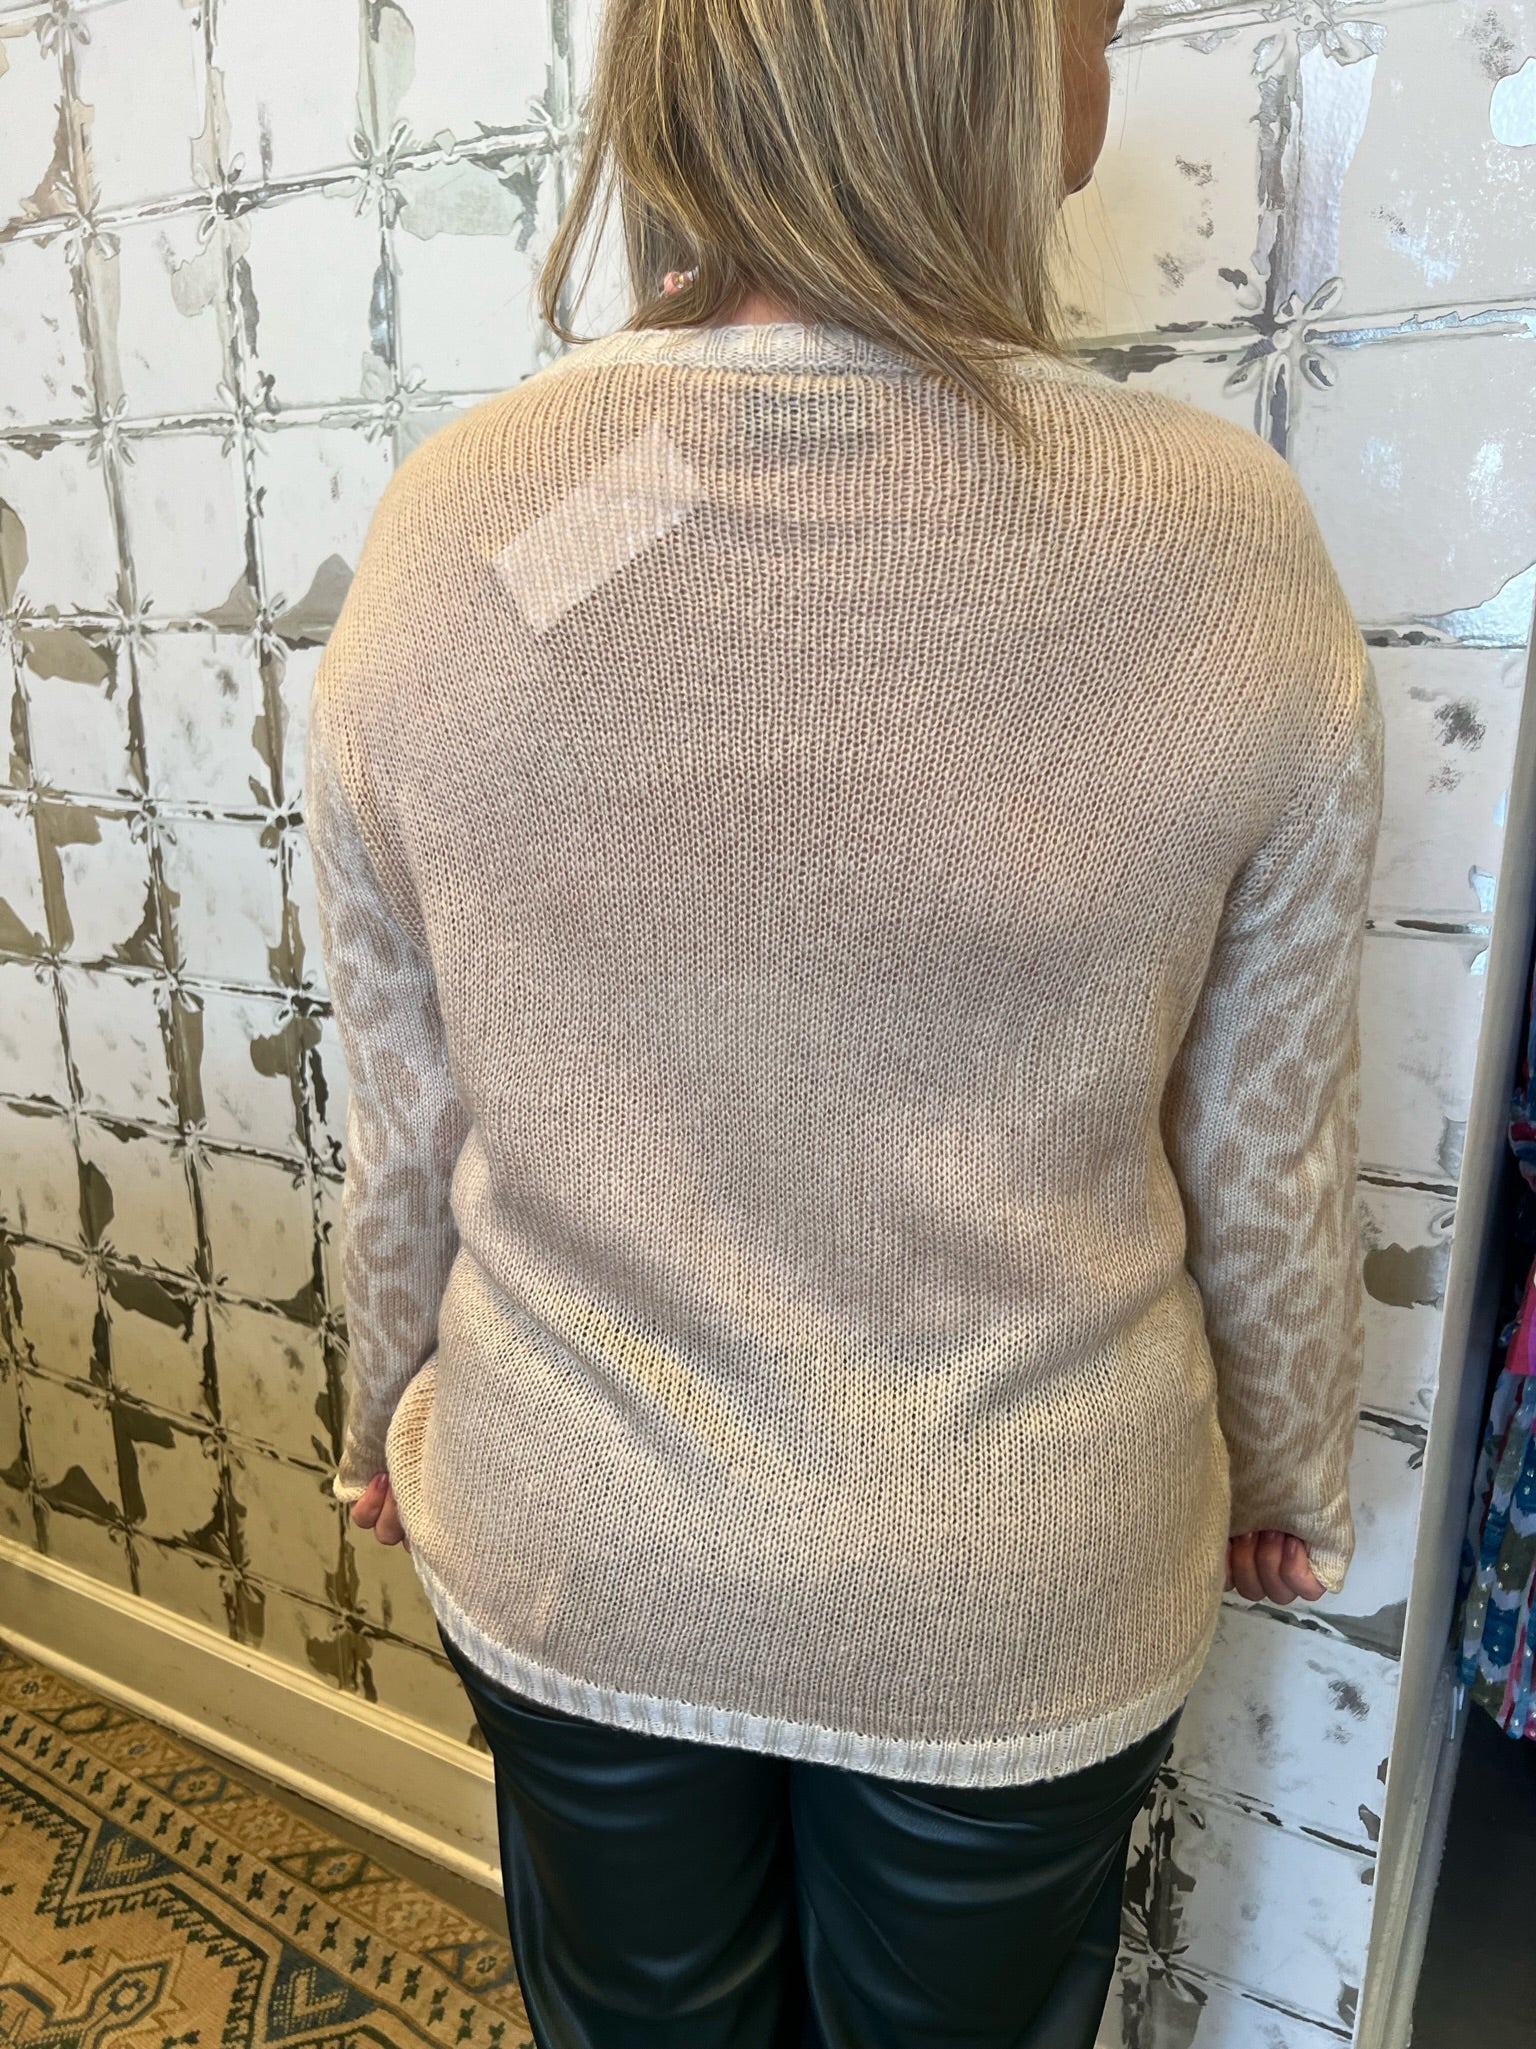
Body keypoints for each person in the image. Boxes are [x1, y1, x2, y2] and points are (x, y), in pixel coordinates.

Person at [306, 0, 1386, 2039]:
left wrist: (380, 1397)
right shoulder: (1221, 540)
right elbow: (1269, 1134)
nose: (1110, 66)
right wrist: (1286, 1459)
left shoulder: (468, 520)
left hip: (581, 1529)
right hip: (1023, 1573)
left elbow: (405, 1096)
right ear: (987, 58)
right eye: (1094, 21)